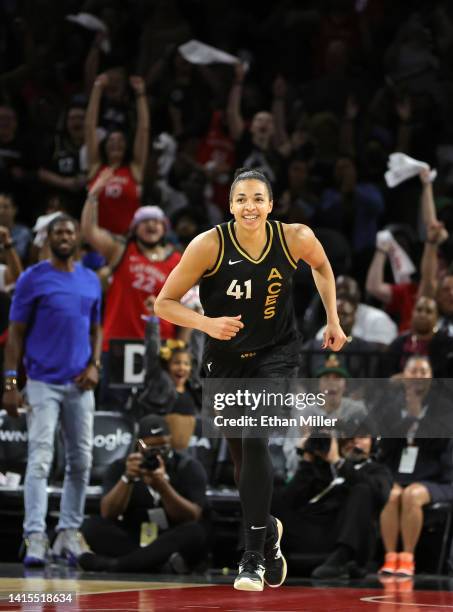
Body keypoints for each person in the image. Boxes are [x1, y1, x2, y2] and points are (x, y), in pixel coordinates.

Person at [154, 168, 347, 591]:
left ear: (271, 204)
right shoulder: (208, 245)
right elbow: (163, 304)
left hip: (275, 354)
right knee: (241, 458)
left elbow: (323, 268)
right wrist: (207, 324)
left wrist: (332, 318)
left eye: (258, 198)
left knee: (255, 438)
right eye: (241, 199)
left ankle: (253, 558)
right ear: (230, 205)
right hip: (224, 359)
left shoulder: (295, 237)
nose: (250, 207)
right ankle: (269, 534)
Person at [1, 214, 102, 567]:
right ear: (48, 238)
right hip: (43, 383)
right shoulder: (32, 278)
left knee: (81, 461)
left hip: (79, 385)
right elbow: (14, 333)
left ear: (78, 238)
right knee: (41, 459)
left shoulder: (90, 279)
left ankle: (68, 533)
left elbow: (96, 330)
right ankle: (35, 536)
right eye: (58, 231)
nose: (64, 236)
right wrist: (12, 383)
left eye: (70, 231)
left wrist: (95, 365)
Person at [80, 169, 182, 407]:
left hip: (161, 346)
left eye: (156, 221)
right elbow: (89, 231)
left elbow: (191, 302)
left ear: (165, 228)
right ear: (135, 227)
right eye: (145, 221)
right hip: (119, 343)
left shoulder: (178, 260)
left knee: (156, 408)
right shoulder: (122, 250)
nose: (151, 225)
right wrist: (93, 195)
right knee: (115, 410)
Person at [79, 415, 207, 573]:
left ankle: (116, 565)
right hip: (136, 535)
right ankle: (159, 564)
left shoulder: (188, 467)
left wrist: (162, 486)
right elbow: (108, 513)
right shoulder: (122, 467)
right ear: (139, 445)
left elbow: (191, 516)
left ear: (170, 441)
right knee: (92, 525)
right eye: (152, 449)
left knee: (195, 531)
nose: (158, 454)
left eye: (163, 447)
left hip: (170, 536)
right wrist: (127, 479)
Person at [276, 430, 392, 580]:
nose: (354, 442)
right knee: (270, 494)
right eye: (350, 438)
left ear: (373, 444)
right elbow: (291, 499)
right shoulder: (323, 468)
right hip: (316, 529)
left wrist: (339, 462)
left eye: (362, 437)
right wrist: (307, 458)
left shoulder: (377, 470)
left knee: (362, 490)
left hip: (347, 536)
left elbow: (379, 495)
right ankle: (252, 555)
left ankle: (340, 561)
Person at [378, 356, 453, 577]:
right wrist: (406, 418)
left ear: (430, 377)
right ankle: (391, 557)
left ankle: (408, 558)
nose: (418, 376)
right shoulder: (390, 407)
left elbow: (438, 445)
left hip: (437, 478)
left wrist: (417, 416)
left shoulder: (443, 407)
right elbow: (386, 447)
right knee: (390, 495)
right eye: (414, 371)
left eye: (423, 371)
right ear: (404, 377)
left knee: (412, 495)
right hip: (400, 474)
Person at [85, 73, 149, 235]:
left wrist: (140, 94)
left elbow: (143, 129)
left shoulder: (134, 168)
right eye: (111, 141)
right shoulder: (96, 167)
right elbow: (89, 127)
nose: (116, 144)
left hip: (127, 241)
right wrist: (97, 88)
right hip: (97, 241)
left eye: (120, 141)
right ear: (104, 146)